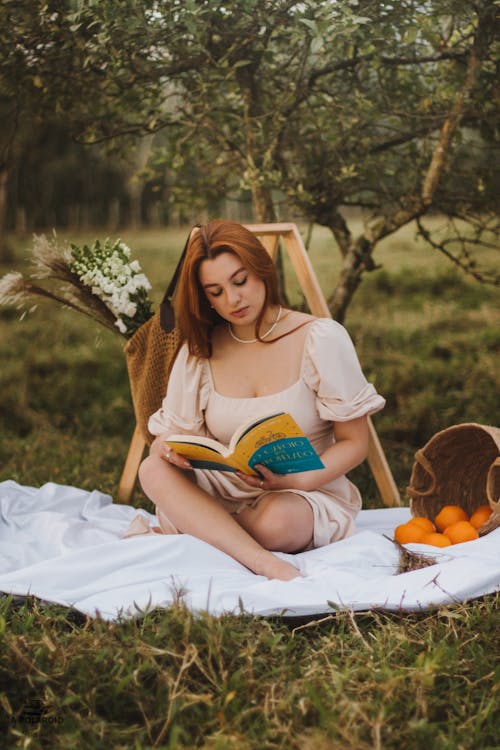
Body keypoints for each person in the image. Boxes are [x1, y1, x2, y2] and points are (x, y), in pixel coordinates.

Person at [138, 219, 385, 581]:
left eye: (240, 281)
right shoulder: (199, 353)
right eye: (215, 291)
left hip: (302, 489)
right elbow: (172, 437)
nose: (233, 300)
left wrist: (297, 481)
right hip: (223, 485)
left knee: (278, 523)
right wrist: (170, 450)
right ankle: (263, 562)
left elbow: (355, 443)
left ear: (262, 271)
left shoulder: (320, 338)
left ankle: (208, 530)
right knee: (152, 468)